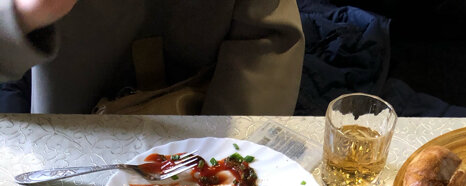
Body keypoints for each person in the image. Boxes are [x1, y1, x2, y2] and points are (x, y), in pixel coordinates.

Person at [0, 0, 305, 114]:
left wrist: (223, 163)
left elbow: (268, 45)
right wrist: (20, 16)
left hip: (206, 114)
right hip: (73, 129)